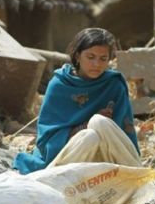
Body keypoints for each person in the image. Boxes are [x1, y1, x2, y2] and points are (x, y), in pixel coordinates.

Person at [13, 28, 141, 174]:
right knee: (90, 136)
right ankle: (56, 179)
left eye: (103, 59)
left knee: (100, 122)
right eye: (90, 57)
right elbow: (48, 138)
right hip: (68, 159)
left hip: (106, 160)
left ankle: (137, 176)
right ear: (78, 56)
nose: (96, 64)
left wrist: (99, 123)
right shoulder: (60, 85)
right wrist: (85, 126)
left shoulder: (114, 85)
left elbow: (123, 134)